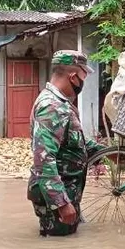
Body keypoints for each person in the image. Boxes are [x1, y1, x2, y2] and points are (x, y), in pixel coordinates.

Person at [27, 50, 105, 237]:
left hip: (66, 190)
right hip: (56, 197)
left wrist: (103, 153)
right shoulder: (51, 106)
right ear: (73, 77)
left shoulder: (62, 103)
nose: (83, 82)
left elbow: (73, 141)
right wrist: (61, 204)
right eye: (83, 75)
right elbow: (44, 159)